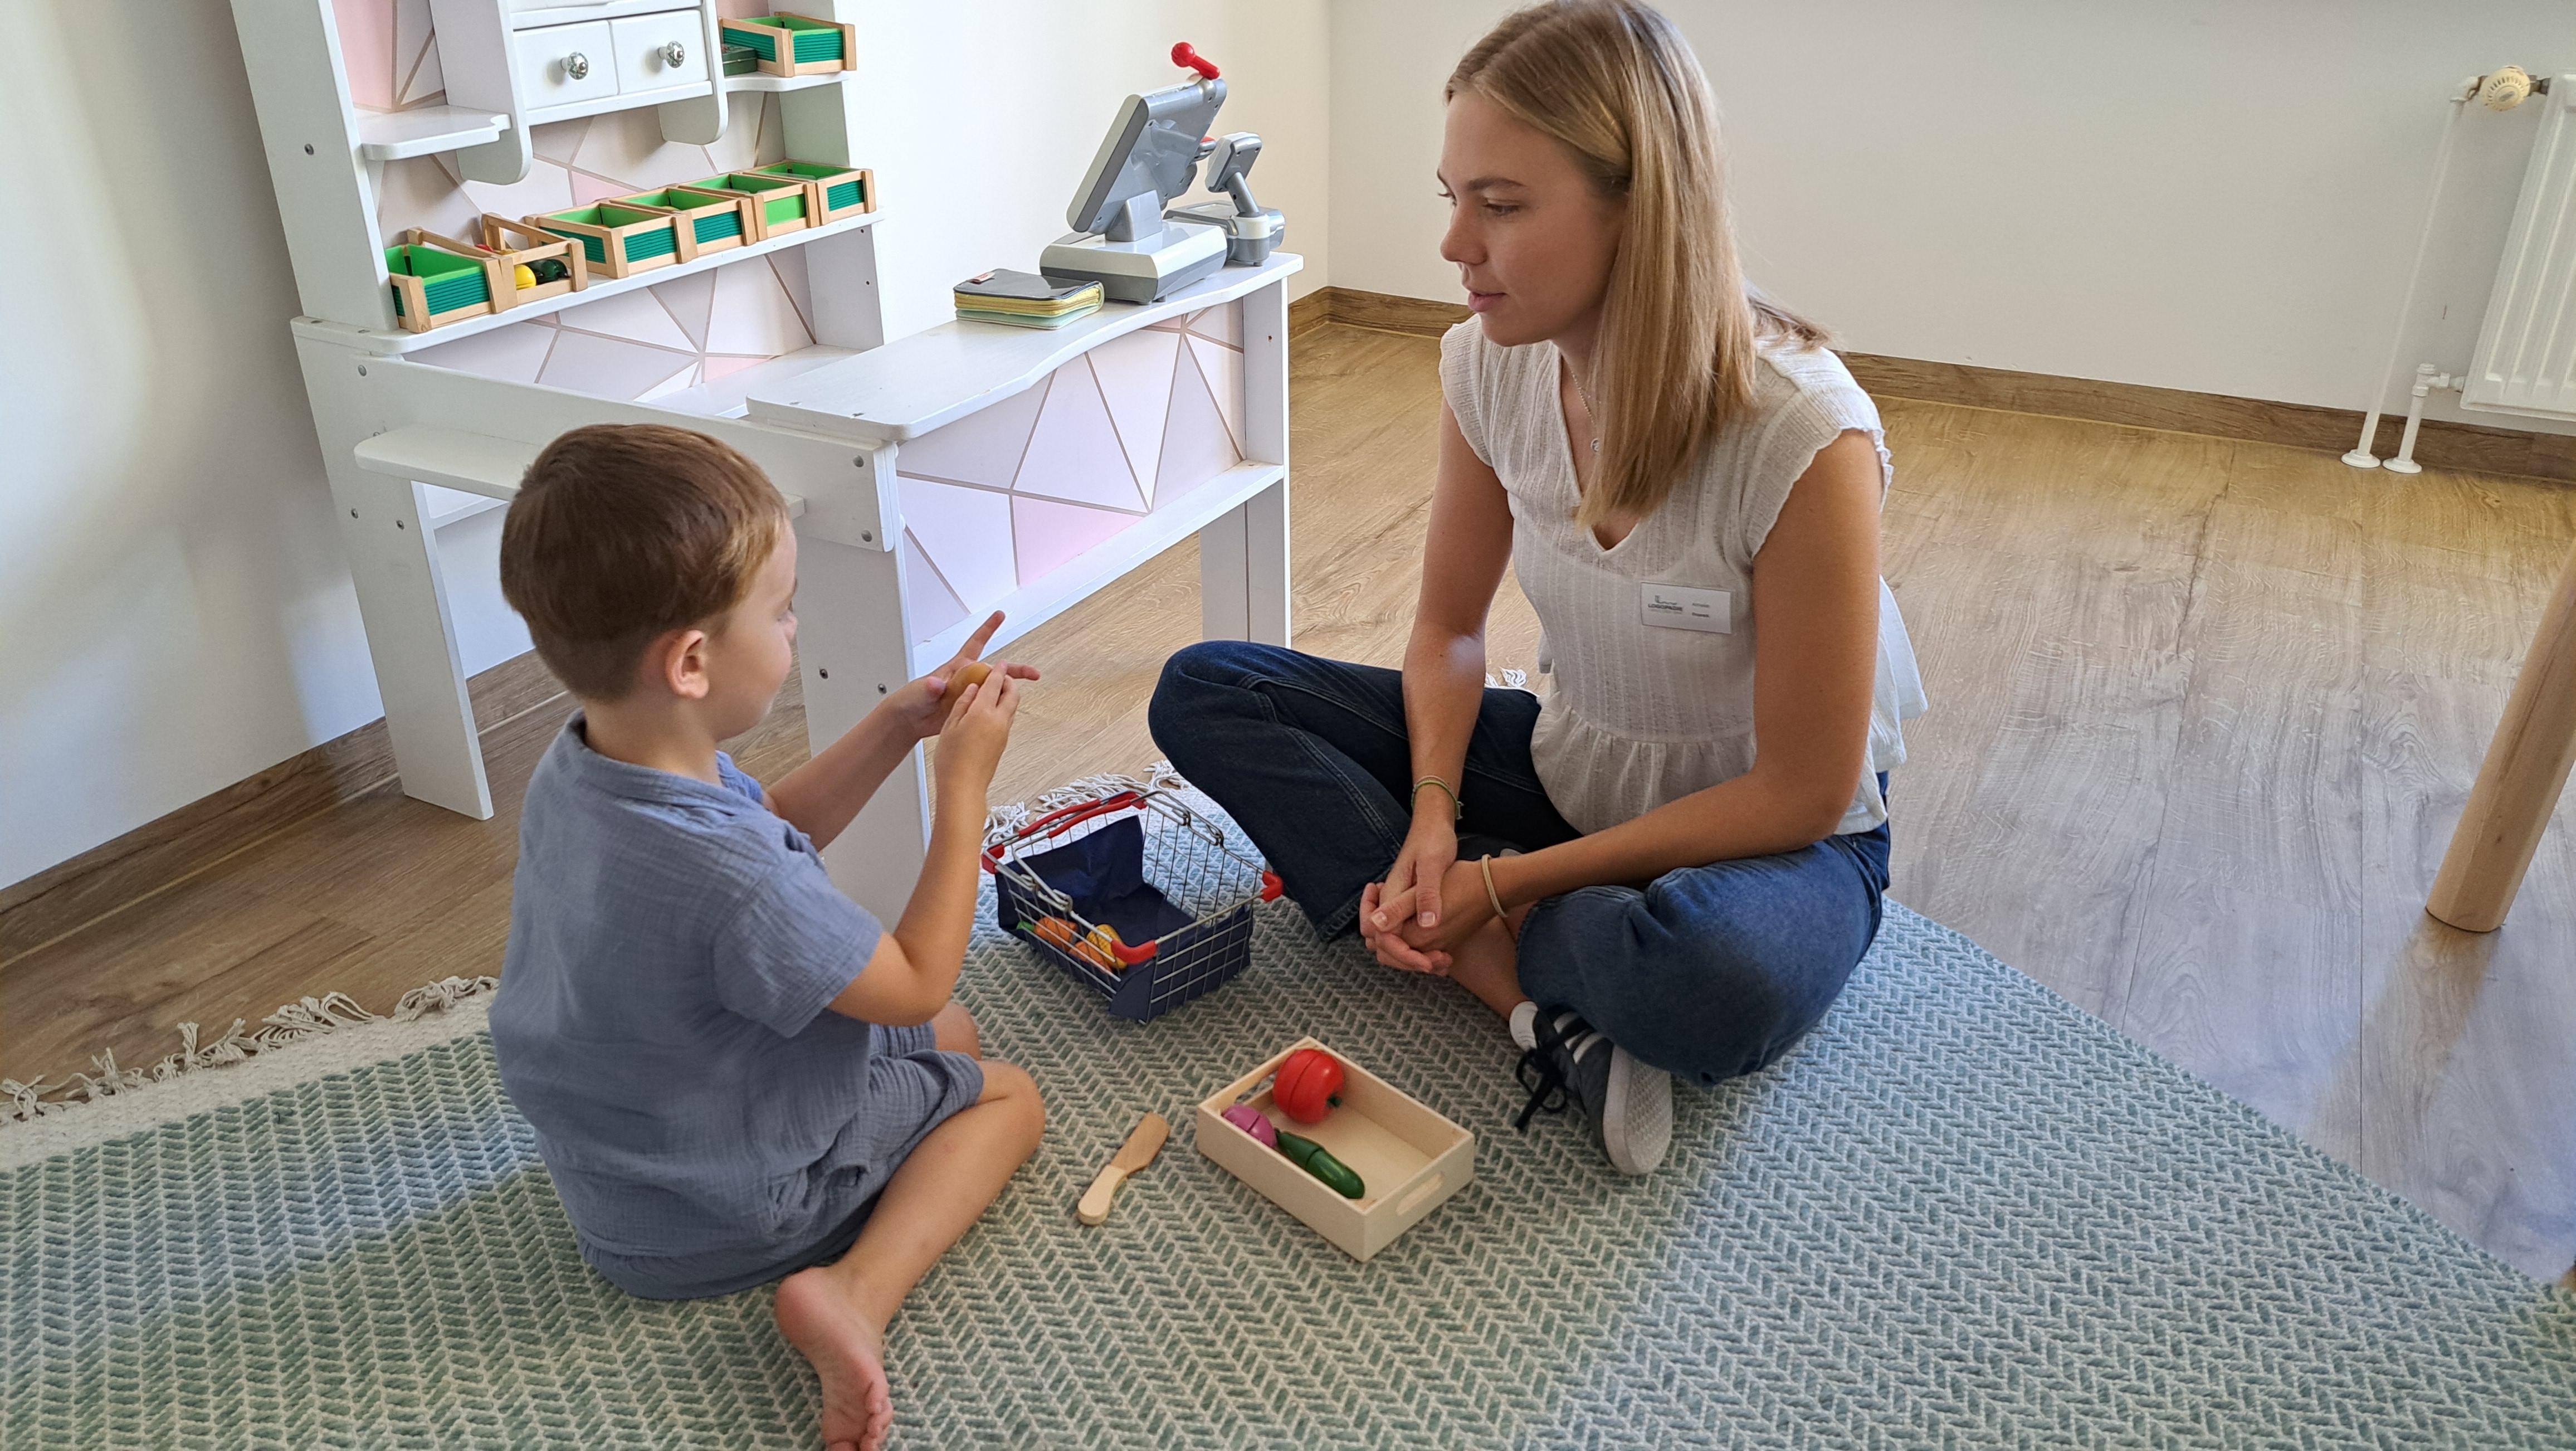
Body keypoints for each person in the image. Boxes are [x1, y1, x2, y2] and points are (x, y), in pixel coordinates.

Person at [1150, 0, 1927, 1177]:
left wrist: (1500, 878)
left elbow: (1803, 793)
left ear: (1640, 210)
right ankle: (1525, 992)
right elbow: (1449, 632)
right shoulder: (1484, 363)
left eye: (1500, 206)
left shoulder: (1805, 436)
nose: (1455, 246)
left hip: (1774, 840)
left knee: (1712, 982)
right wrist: (1425, 813)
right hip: (1581, 768)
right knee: (1208, 688)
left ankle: (1497, 927)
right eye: (1450, 198)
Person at [488, 424, 1045, 1451]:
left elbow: (775, 823)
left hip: (624, 1175)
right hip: (734, 1210)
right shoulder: (733, 878)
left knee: (950, 1037)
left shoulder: (589, 763)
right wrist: (961, 787)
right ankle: (852, 1295)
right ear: (693, 662)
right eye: (782, 613)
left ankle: (844, 1238)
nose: (795, 632)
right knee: (1004, 1090)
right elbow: (917, 980)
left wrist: (894, 725)